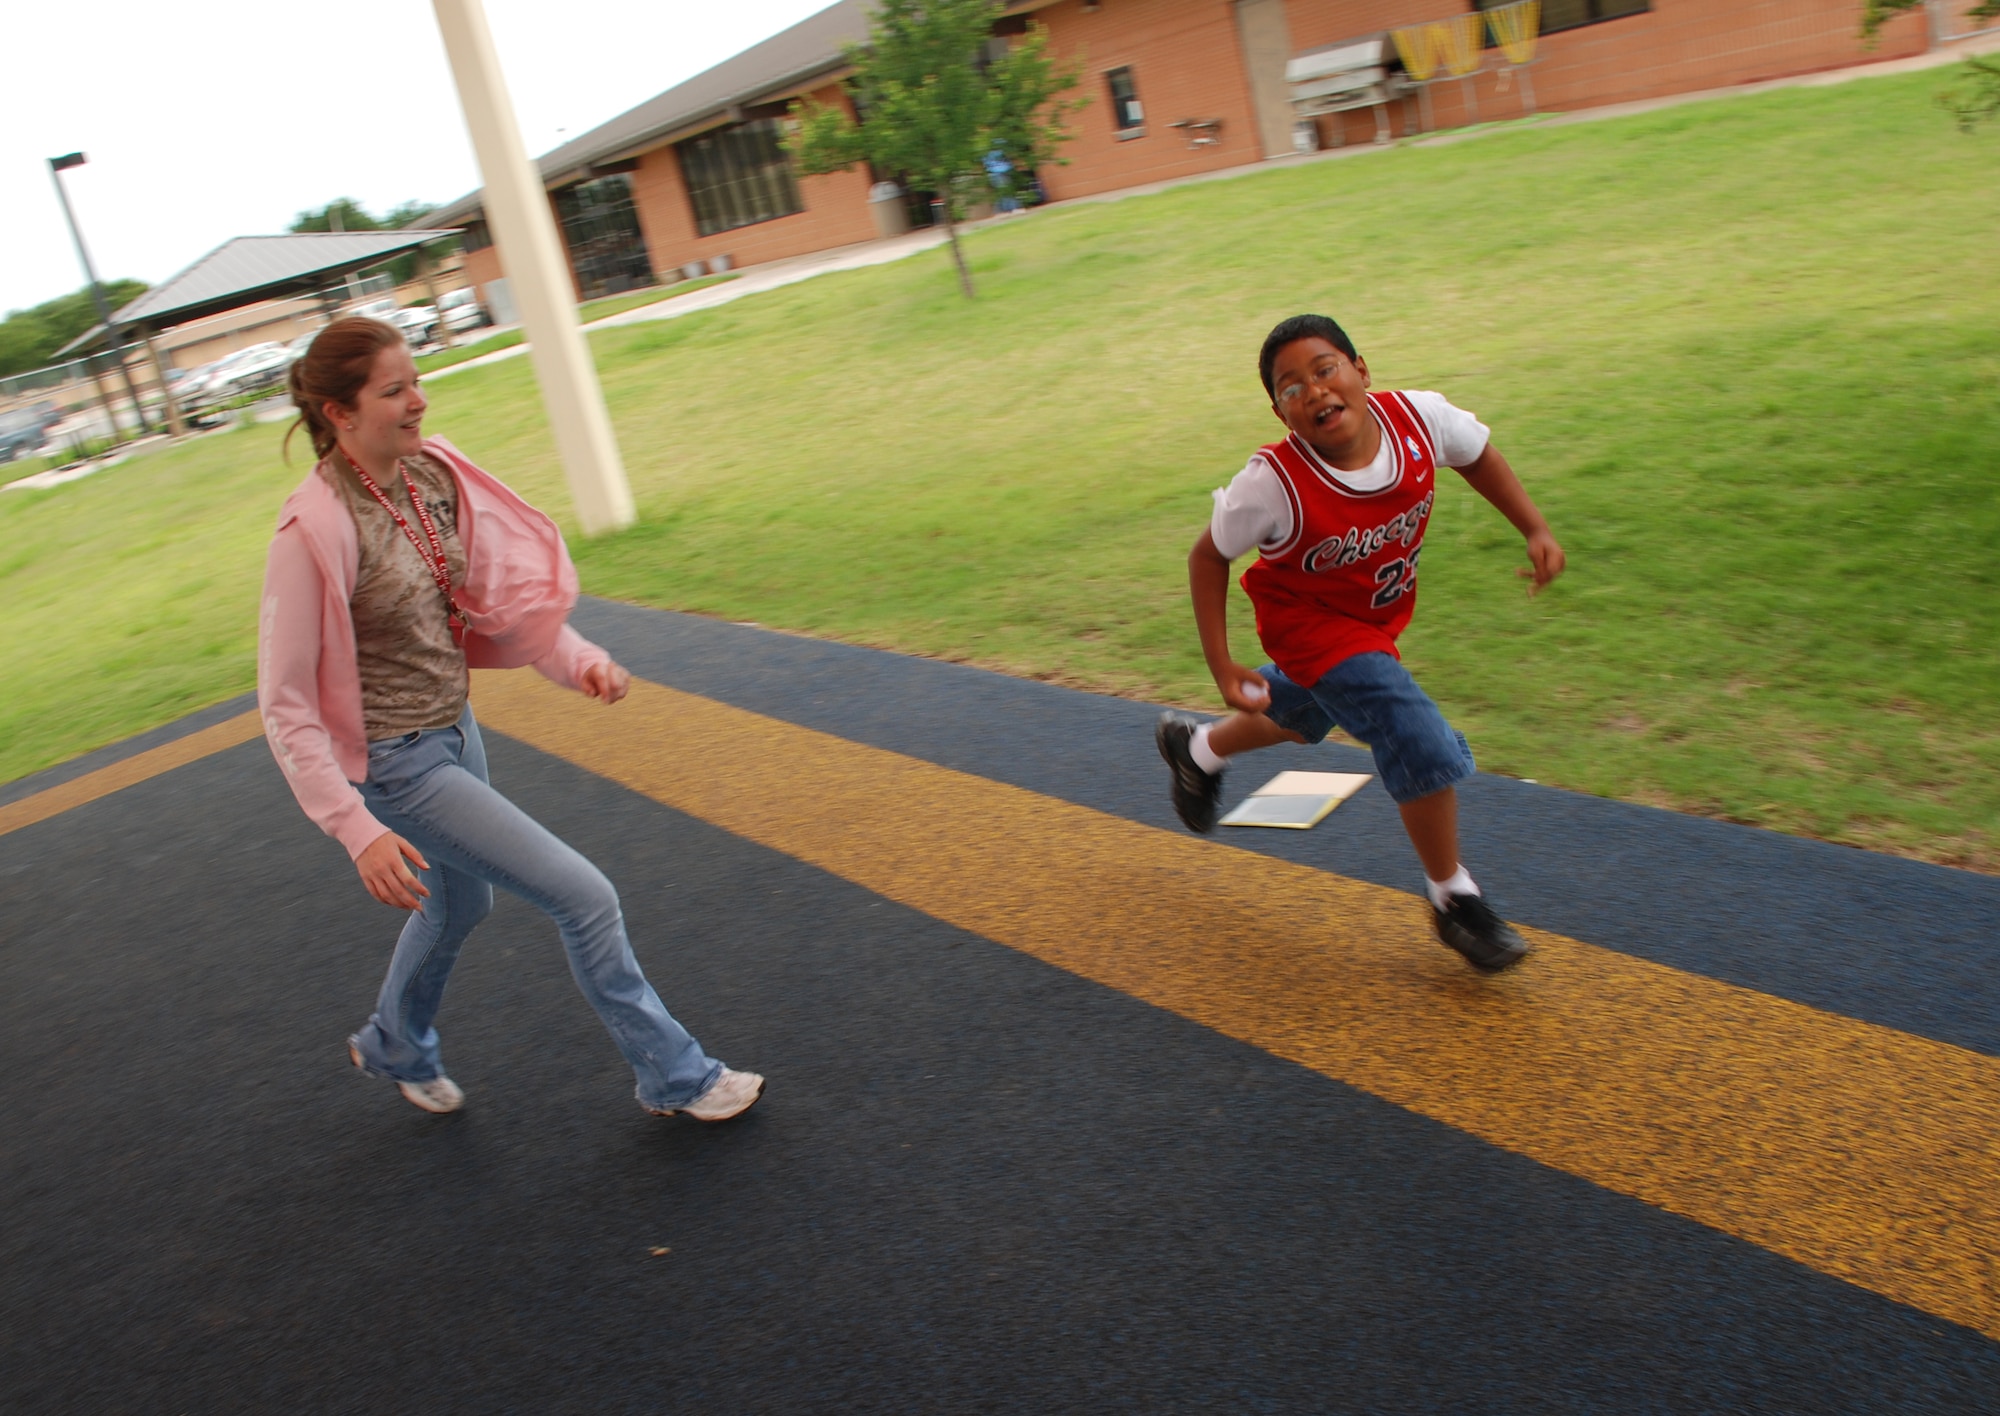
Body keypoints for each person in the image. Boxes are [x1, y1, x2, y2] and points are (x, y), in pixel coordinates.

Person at [259, 316, 764, 1118]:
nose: (418, 401)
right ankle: (678, 1076)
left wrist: (577, 659)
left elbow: (494, 600)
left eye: (415, 380)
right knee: (584, 896)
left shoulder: (428, 478)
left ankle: (394, 1042)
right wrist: (354, 827)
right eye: (394, 391)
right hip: (396, 763)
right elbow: (284, 704)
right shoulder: (314, 528)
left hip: (456, 733)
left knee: (461, 903)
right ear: (339, 413)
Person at [1157, 314, 1565, 970]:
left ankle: (1197, 750)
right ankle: (1453, 899)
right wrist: (1222, 663)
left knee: (1308, 708)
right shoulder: (1271, 483)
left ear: (1360, 370)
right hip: (1305, 624)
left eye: (1324, 369)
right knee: (1409, 727)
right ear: (1280, 412)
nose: (1313, 391)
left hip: (1371, 619)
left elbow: (1477, 455)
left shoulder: (1421, 419)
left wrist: (1534, 527)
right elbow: (1208, 557)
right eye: (1291, 388)